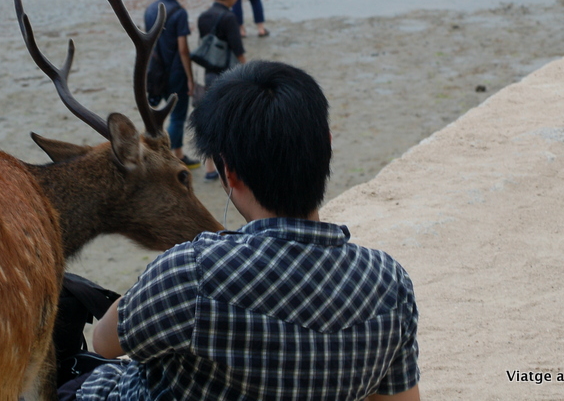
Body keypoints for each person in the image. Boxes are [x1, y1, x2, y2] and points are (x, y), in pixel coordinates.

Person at [75, 60, 421, 401]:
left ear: (230, 172)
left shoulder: (191, 273)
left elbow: (104, 342)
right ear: (327, 145)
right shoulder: (389, 284)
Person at [144, 0, 199, 168]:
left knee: (166, 114)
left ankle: (177, 154)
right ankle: (173, 158)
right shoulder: (179, 13)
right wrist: (190, 79)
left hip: (156, 72)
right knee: (177, 117)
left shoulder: (150, 9)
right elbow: (183, 49)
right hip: (176, 73)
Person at [196, 0, 246, 181]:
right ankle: (229, 166)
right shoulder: (229, 17)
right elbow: (238, 50)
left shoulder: (203, 17)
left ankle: (209, 168)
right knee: (229, 123)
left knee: (208, 122)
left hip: (207, 74)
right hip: (227, 77)